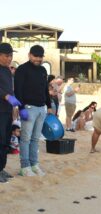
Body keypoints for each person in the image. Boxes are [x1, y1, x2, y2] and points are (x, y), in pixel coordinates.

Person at [14, 44, 52, 177]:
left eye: (40, 57)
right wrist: (21, 108)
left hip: (42, 108)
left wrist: (50, 106)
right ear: (29, 55)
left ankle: (34, 164)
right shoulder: (22, 69)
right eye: (35, 56)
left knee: (36, 139)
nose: (38, 59)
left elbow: (45, 89)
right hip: (28, 108)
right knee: (25, 138)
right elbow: (17, 90)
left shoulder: (43, 70)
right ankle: (25, 167)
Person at [0, 43, 21, 182]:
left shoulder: (7, 70)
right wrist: (5, 96)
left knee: (6, 141)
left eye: (11, 56)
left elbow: (10, 90)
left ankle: (1, 168)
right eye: (7, 55)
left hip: (8, 111)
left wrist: (15, 107)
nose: (9, 58)